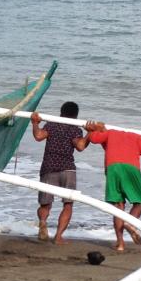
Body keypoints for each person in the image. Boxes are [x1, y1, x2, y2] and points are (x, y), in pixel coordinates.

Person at [83, 120, 141, 251]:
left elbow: (94, 138)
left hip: (113, 168)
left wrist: (91, 130)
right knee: (138, 203)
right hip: (131, 168)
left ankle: (120, 244)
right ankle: (129, 224)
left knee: (118, 207)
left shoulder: (110, 134)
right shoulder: (137, 137)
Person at [29, 102, 89, 245]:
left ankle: (43, 222)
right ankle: (58, 237)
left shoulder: (52, 125)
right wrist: (90, 133)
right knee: (68, 204)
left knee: (45, 205)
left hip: (49, 167)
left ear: (61, 112)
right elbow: (80, 146)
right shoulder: (75, 129)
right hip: (67, 168)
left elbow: (38, 136)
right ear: (76, 115)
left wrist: (35, 123)